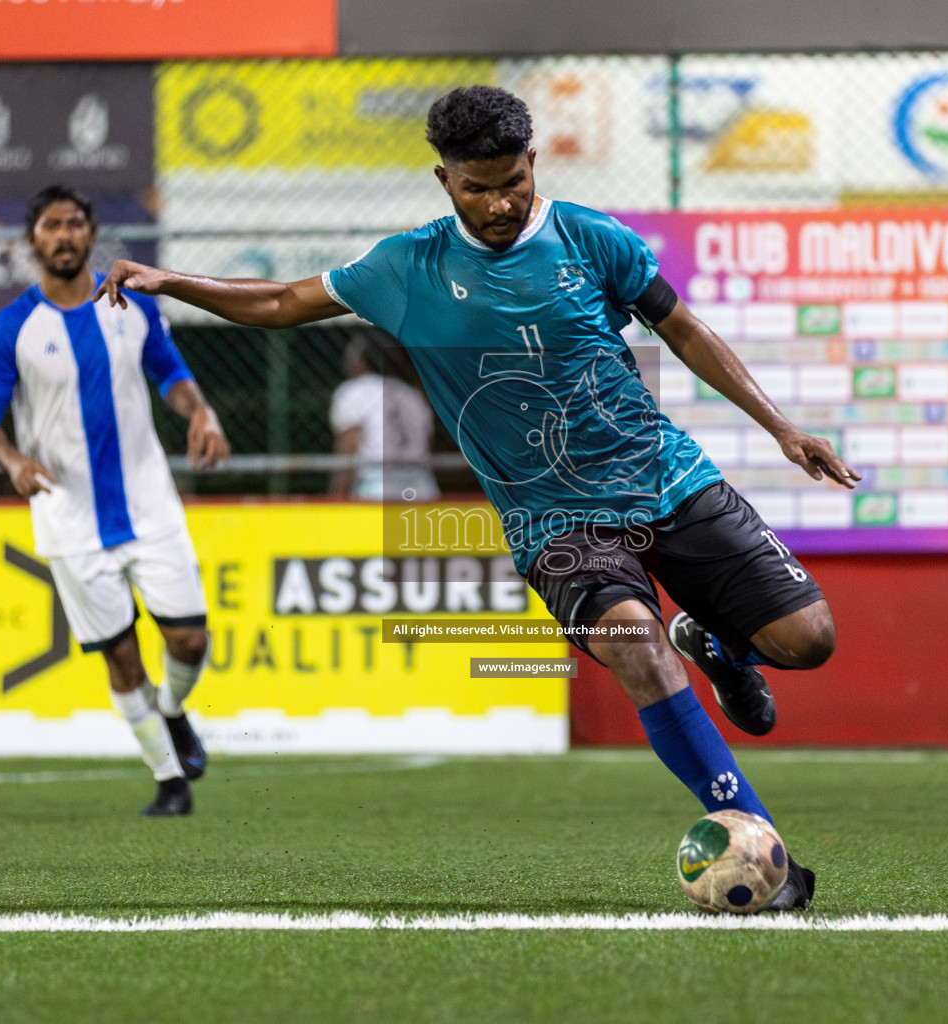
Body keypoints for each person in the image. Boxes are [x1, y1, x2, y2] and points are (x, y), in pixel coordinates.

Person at [96, 87, 859, 907]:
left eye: (512, 182)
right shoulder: (406, 268)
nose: (498, 203)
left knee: (809, 640)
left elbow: (682, 329)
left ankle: (721, 645)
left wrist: (780, 426)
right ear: (443, 180)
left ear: (533, 164)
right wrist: (173, 281)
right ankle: (758, 842)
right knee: (637, 650)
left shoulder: (592, 238)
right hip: (553, 521)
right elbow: (283, 303)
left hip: (666, 478)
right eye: (476, 187)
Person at [0, 184, 230, 816]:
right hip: (69, 516)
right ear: (33, 240)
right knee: (119, 654)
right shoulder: (12, 327)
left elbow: (171, 375)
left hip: (148, 504)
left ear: (91, 235)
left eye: (76, 224)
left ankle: (172, 712)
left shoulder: (131, 306)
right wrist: (12, 460)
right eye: (52, 226)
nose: (65, 235)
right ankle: (169, 781)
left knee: (190, 642)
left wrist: (203, 412)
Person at [329, 336, 440, 501]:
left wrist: (335, 498)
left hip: (376, 490)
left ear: (362, 361)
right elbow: (427, 445)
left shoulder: (353, 391)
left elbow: (349, 446)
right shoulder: (411, 394)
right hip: (422, 489)